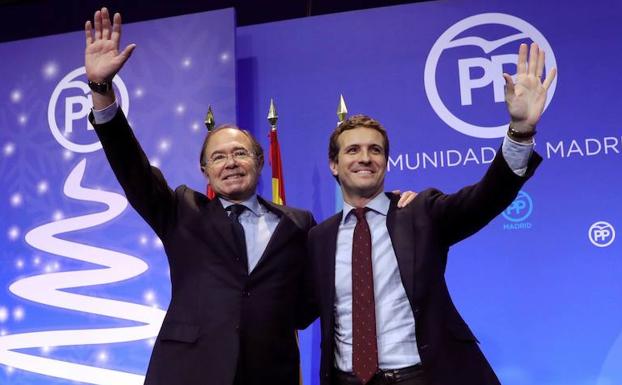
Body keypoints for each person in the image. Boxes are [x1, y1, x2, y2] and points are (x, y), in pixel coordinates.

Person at [84, 7, 414, 385]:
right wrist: (102, 92)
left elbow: (314, 297)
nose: (231, 163)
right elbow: (132, 169)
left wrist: (393, 204)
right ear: (205, 170)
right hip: (188, 371)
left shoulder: (298, 223)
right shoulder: (180, 210)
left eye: (240, 153)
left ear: (259, 163)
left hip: (270, 372)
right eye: (218, 157)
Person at [307, 42, 556, 385]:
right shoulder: (319, 237)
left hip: (424, 377)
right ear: (334, 165)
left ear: (385, 162)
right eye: (353, 150)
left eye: (375, 150)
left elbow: (486, 198)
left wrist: (520, 131)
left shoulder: (420, 212)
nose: (365, 158)